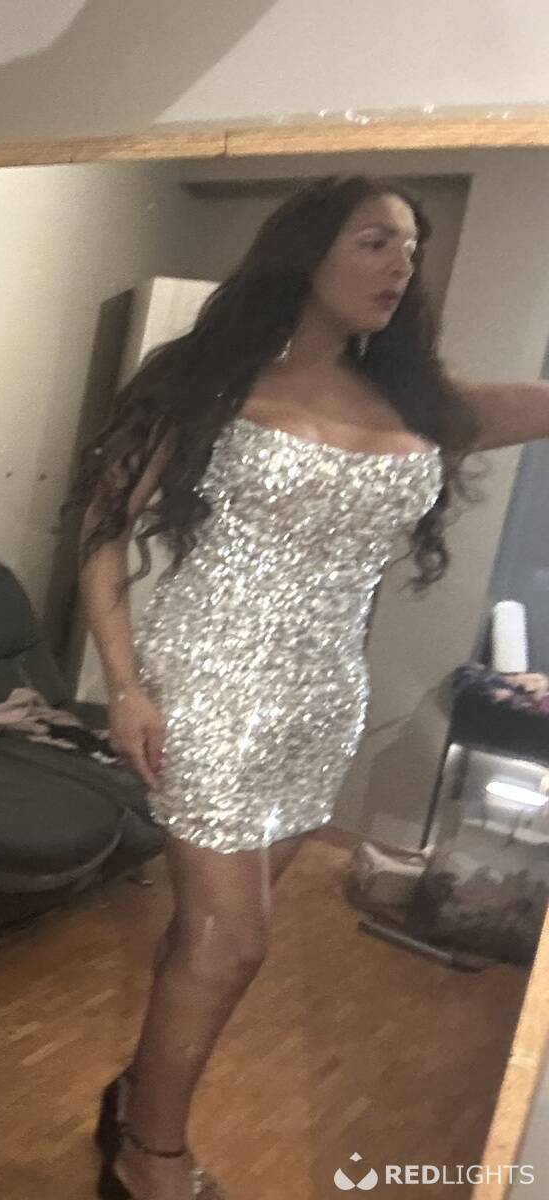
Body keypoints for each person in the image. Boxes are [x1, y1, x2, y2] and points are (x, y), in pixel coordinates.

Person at [66, 174, 549, 1200]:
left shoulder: (421, 401)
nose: (400, 264)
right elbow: (101, 530)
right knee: (233, 943)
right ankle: (149, 1158)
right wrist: (124, 684)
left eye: (410, 248)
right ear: (308, 251)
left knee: (202, 937)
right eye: (374, 241)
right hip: (209, 688)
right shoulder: (204, 383)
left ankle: (138, 1094)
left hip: (323, 703)